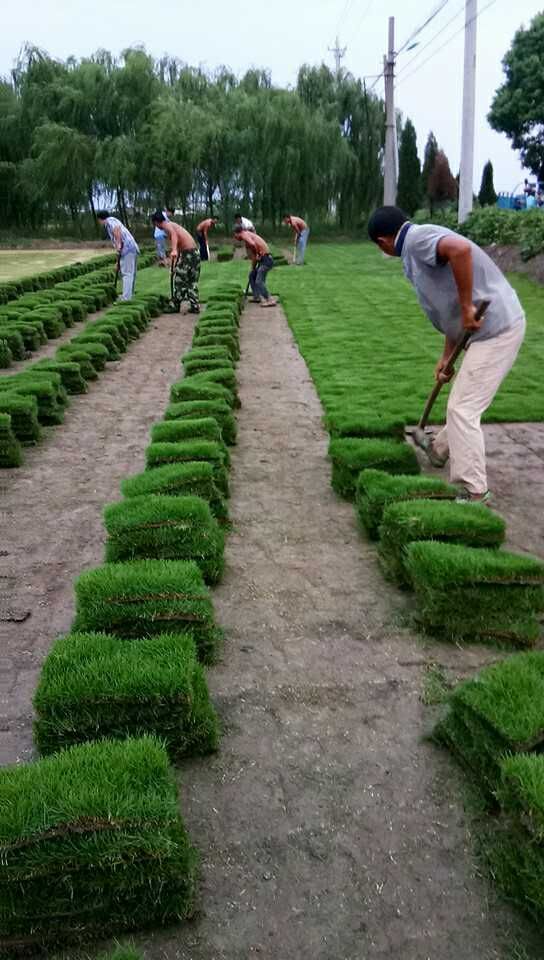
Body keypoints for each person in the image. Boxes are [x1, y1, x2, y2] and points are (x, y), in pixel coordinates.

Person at [367, 205, 526, 503]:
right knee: (462, 402)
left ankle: (474, 490)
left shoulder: (416, 239)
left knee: (462, 407)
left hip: (498, 328)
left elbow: (461, 250)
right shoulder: (411, 256)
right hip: (479, 333)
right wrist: (446, 356)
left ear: (382, 242)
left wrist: (468, 306)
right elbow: (447, 309)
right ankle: (438, 450)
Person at [152, 211, 200, 314]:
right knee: (191, 280)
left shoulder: (167, 226)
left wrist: (173, 250)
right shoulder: (172, 225)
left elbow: (174, 236)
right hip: (194, 253)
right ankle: (194, 305)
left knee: (180, 279)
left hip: (189, 253)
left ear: (156, 222)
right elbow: (178, 246)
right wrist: (173, 266)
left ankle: (175, 305)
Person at [96, 211, 140, 300]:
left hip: (127, 249)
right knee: (131, 273)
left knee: (127, 274)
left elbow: (116, 229)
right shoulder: (113, 220)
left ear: (100, 219)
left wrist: (119, 244)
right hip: (132, 248)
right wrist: (118, 262)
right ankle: (129, 295)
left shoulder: (109, 222)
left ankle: (126, 298)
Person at [233, 224, 276, 307]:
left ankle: (270, 299)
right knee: (252, 275)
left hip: (266, 260)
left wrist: (258, 254)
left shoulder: (244, 235)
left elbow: (253, 244)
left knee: (259, 281)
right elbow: (254, 258)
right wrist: (253, 267)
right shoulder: (247, 235)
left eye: (234, 234)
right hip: (263, 259)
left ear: (237, 233)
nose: (235, 237)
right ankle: (257, 297)